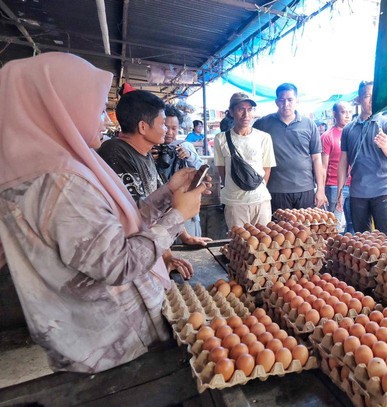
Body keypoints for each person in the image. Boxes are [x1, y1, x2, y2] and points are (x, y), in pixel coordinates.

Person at [0, 52, 207, 373]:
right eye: (98, 110)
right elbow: (118, 264)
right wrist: (176, 217)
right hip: (113, 348)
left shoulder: (54, 168)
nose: (107, 121)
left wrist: (168, 194)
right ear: (59, 109)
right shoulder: (57, 182)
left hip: (106, 340)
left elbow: (108, 229)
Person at [97, 90, 208, 280]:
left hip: (145, 253)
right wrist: (165, 255)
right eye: (162, 124)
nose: (166, 130)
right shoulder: (115, 152)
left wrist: (184, 236)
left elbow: (156, 204)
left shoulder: (144, 153)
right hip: (127, 264)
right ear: (143, 127)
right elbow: (136, 219)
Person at [336, 81, 387, 235]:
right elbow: (343, 162)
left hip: (383, 190)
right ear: (358, 100)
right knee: (361, 238)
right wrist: (340, 192)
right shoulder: (348, 129)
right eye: (367, 96)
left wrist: (385, 145)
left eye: (375, 96)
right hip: (358, 191)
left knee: (385, 238)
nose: (372, 100)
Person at [253, 83, 327, 210]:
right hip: (275, 189)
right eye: (282, 100)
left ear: (297, 101)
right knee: (278, 229)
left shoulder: (309, 124)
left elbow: (316, 158)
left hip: (305, 188)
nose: (286, 104)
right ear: (276, 102)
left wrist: (320, 189)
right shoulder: (263, 124)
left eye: (290, 100)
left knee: (305, 228)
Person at [214, 93, 276, 228]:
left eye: (250, 109)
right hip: (234, 203)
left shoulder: (264, 138)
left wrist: (254, 188)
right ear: (231, 111)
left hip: (261, 200)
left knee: (262, 243)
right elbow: (222, 170)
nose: (246, 114)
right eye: (241, 109)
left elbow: (267, 168)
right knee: (239, 244)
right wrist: (235, 187)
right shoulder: (221, 139)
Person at [154, 104, 205, 238]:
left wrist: (189, 155)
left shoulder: (185, 146)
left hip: (185, 209)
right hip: (159, 212)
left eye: (174, 128)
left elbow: (201, 168)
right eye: (165, 127)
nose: (169, 132)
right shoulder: (151, 147)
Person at [322, 101, 353, 233]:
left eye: (349, 112)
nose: (347, 115)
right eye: (343, 112)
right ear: (334, 114)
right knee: (334, 225)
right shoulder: (327, 136)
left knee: (353, 224)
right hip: (333, 186)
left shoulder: (353, 133)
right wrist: (321, 191)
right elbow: (323, 166)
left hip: (354, 185)